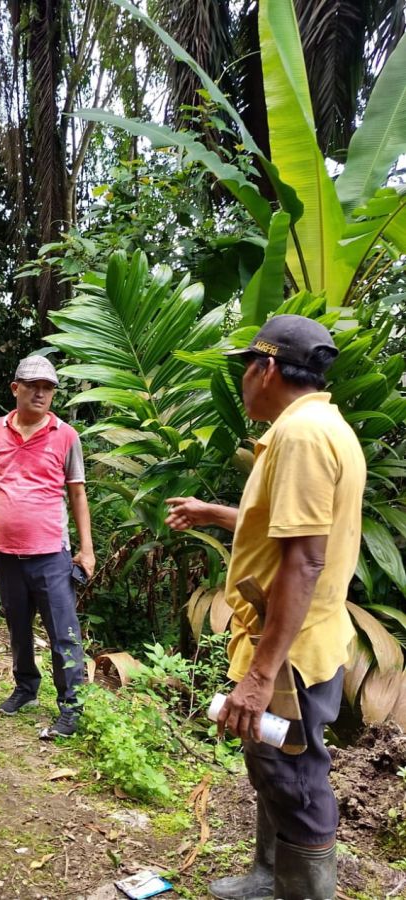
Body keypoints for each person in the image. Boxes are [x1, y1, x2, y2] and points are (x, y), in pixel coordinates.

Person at [165, 315, 366, 900]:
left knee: (293, 775)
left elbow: (304, 560)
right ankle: (267, 876)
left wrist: (260, 675)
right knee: (274, 758)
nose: (245, 383)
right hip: (305, 638)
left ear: (267, 368)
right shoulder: (318, 425)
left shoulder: (300, 438)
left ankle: (303, 891)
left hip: (288, 653)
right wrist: (216, 513)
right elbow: (288, 526)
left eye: (246, 370)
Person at [0, 355, 94, 739]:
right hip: (5, 552)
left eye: (48, 387)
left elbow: (77, 494)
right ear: (15, 388)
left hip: (51, 554)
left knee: (63, 633)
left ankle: (71, 707)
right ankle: (25, 688)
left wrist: (86, 550)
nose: (41, 393)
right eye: (33, 385)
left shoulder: (66, 436)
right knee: (17, 626)